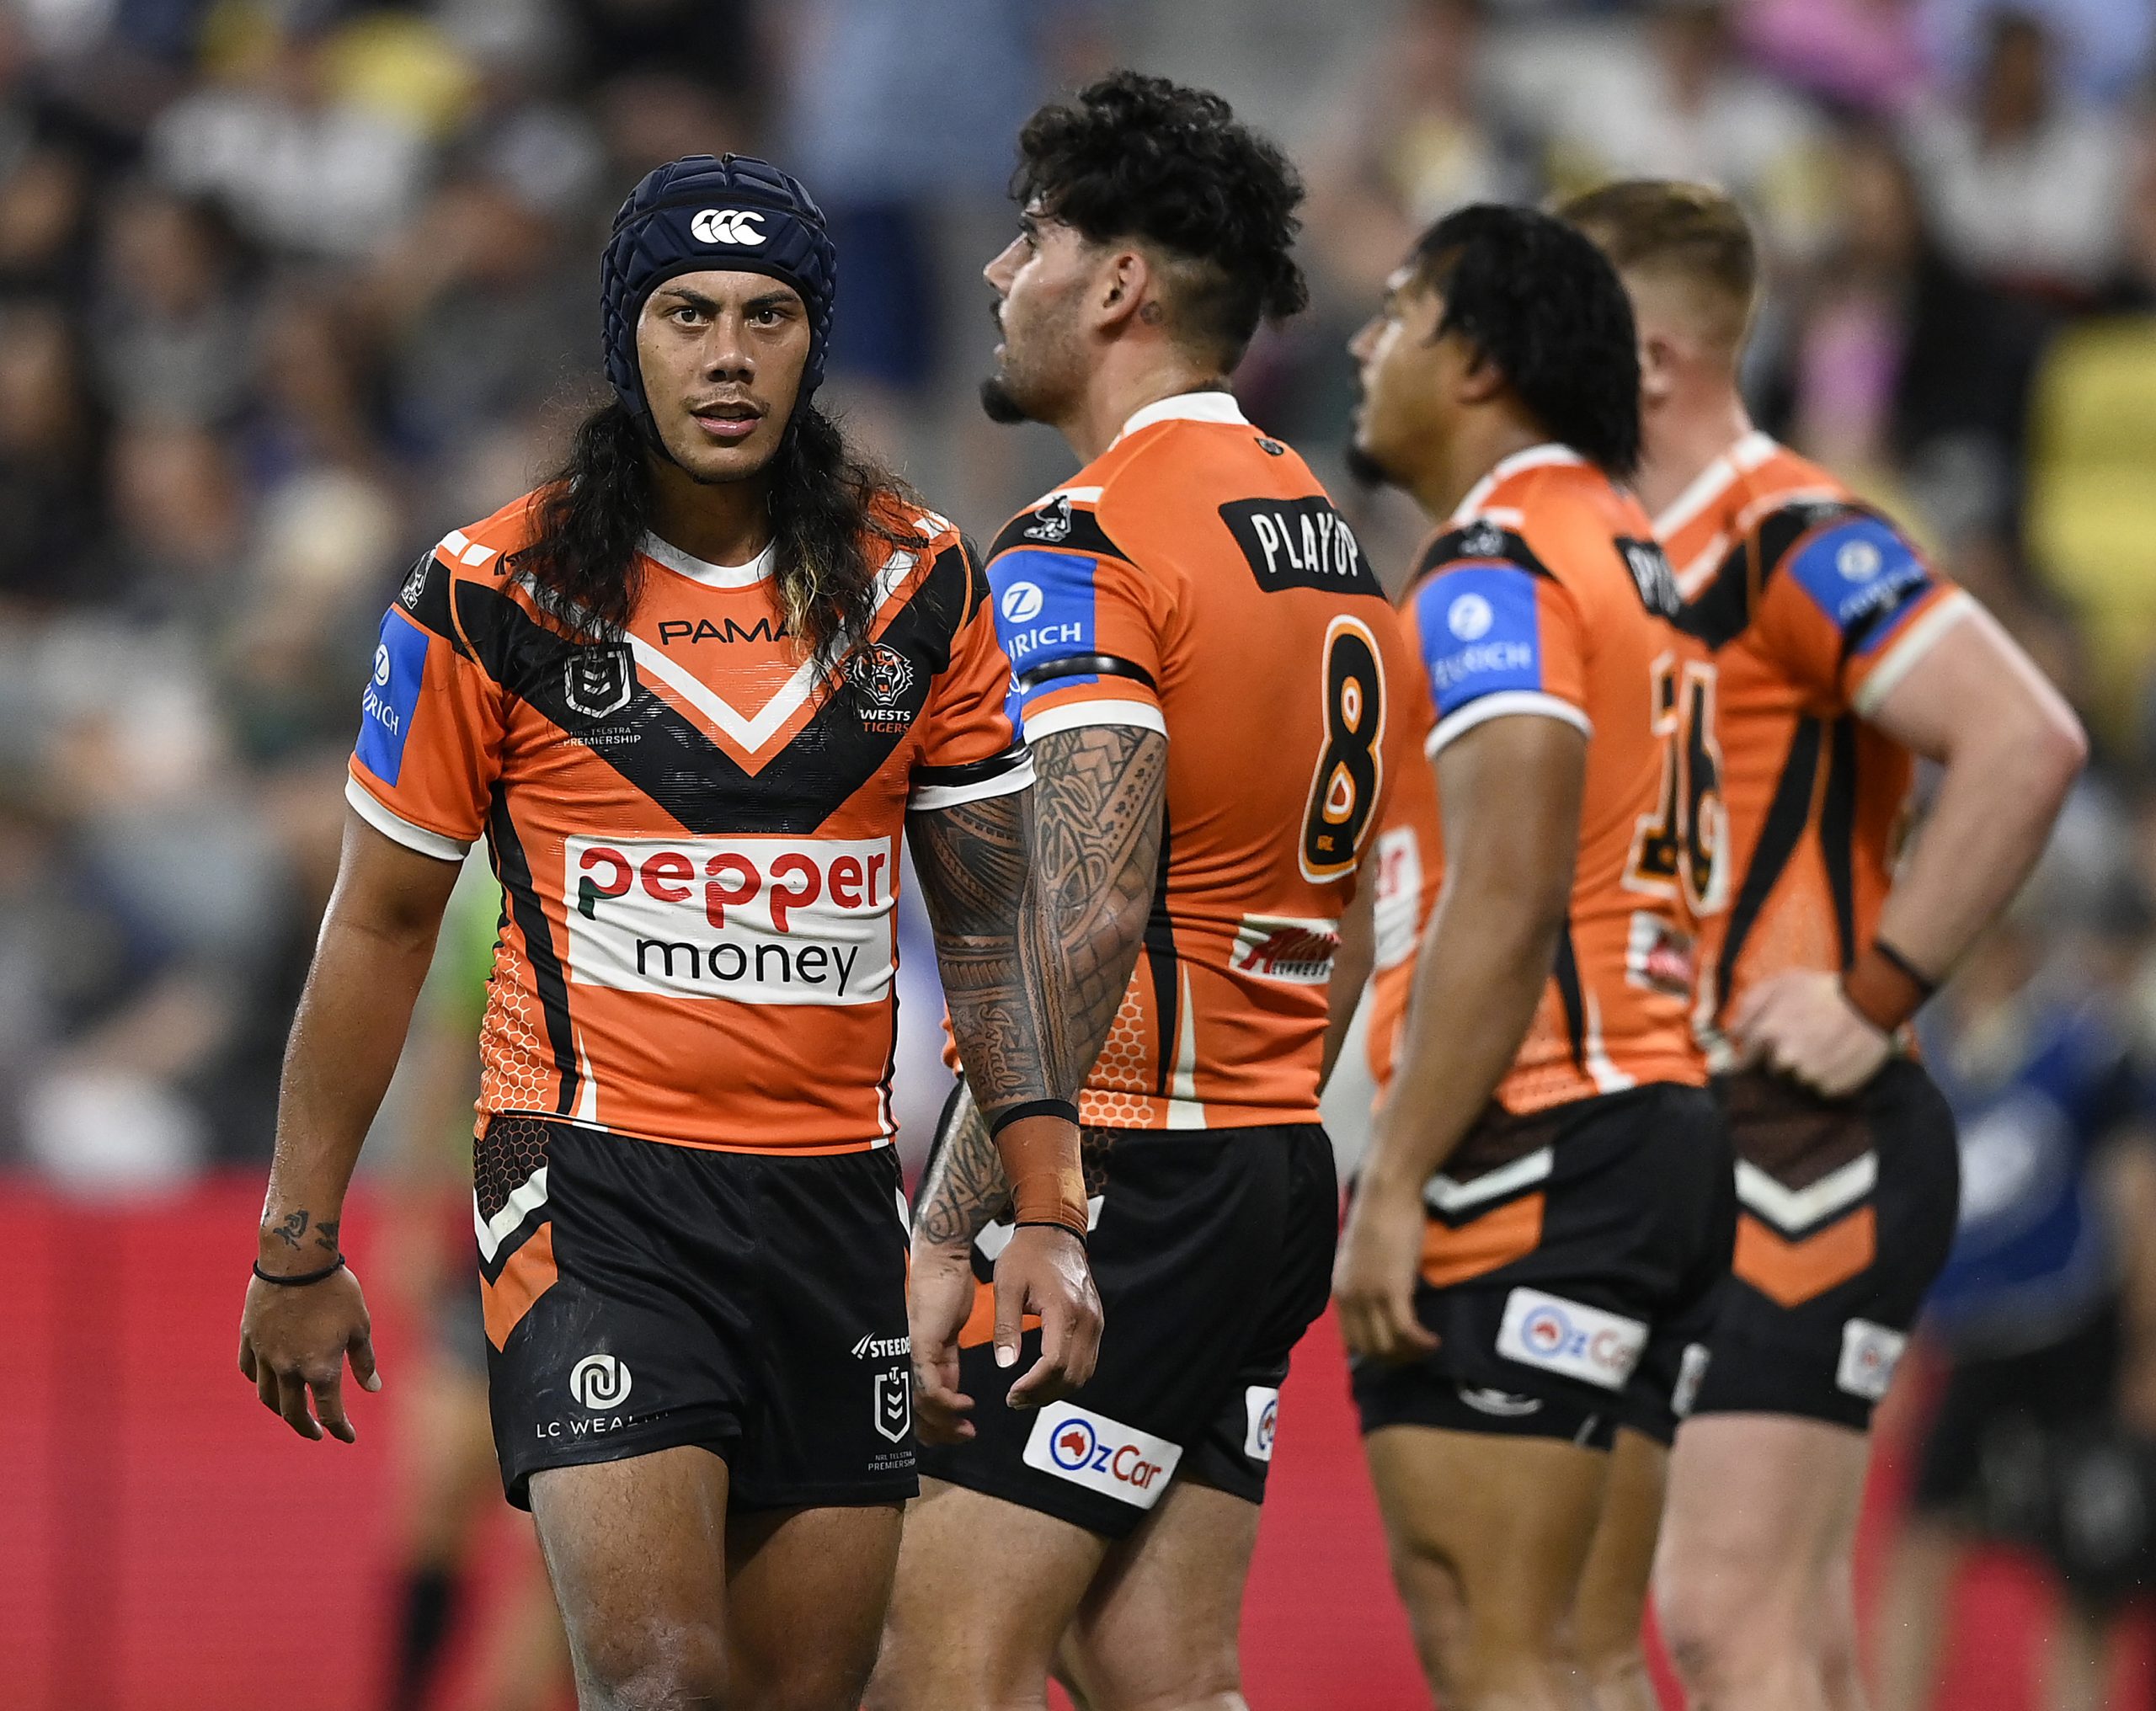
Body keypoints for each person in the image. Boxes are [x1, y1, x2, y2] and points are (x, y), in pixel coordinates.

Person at [235, 152, 1102, 1711]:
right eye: (686, 311)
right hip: (590, 1191)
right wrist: (299, 1240)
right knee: (656, 1685)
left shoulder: (920, 587)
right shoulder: (487, 594)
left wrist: (1040, 1209)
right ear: (626, 333)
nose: (725, 352)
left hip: (835, 1204)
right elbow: (374, 928)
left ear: (814, 342)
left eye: (767, 314)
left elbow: (990, 932)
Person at [869, 73, 1413, 1711]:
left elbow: (1087, 908)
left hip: (1120, 1164)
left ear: (1115, 285)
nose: (992, 271)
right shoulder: (1332, 549)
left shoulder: (1081, 543)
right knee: (1154, 1666)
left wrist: (963, 1216)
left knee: (935, 1661)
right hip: (1261, 1166)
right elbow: (1355, 922)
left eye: (1029, 237)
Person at [1560, 177, 2085, 1711]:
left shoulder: (1788, 533)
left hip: (1809, 1138)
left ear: (1649, 356)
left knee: (1725, 1621)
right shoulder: (1631, 555)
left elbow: (2023, 739)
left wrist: (1874, 996)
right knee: (1783, 1625)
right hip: (1699, 1136)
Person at [1330, 201, 1735, 1711]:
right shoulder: (1638, 553)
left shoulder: (1495, 563)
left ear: (1481, 359)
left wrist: (1401, 1183)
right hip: (1659, 1123)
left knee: (1493, 1647)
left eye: (1399, 313)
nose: (1367, 347)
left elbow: (1503, 894)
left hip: (1536, 1138)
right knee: (1581, 1652)